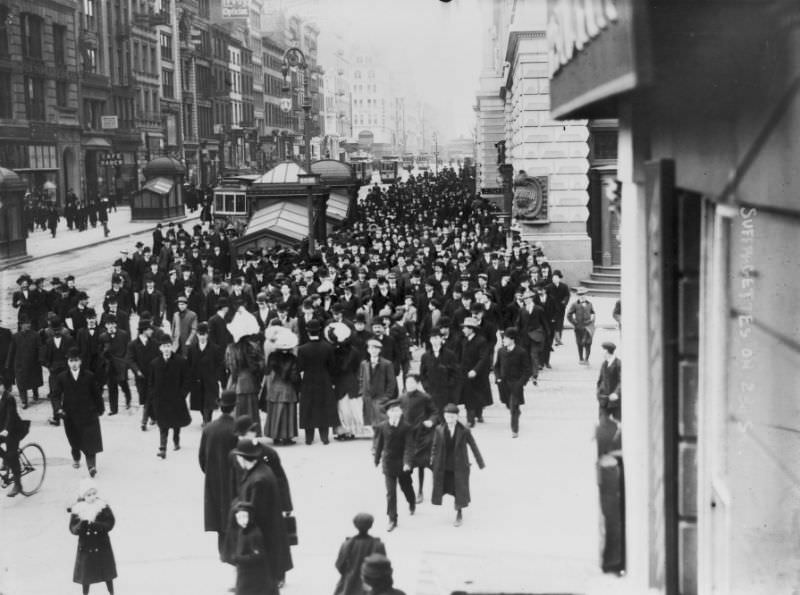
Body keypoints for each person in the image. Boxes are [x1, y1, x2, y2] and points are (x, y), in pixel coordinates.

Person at [225, 437, 292, 595]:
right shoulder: (260, 471)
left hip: (259, 543)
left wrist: (236, 508)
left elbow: (253, 512)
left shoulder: (258, 480)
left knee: (258, 585)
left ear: (243, 458)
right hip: (265, 542)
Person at [430, 403, 486, 527]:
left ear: (457, 417)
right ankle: (456, 506)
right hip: (444, 465)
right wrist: (432, 460)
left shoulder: (464, 430)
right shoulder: (439, 429)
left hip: (459, 465)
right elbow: (434, 446)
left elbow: (473, 445)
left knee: (459, 490)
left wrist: (480, 462)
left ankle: (459, 512)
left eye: (452, 417)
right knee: (446, 486)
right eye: (447, 416)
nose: (449, 419)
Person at [51, 348, 104, 477]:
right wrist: (58, 408)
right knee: (74, 440)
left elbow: (96, 394)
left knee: (90, 440)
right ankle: (76, 456)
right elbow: (56, 395)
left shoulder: (89, 376)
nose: (74, 364)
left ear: (80, 361)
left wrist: (100, 408)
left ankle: (91, 466)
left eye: (76, 361)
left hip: (88, 413)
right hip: (70, 414)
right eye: (71, 361)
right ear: (68, 362)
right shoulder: (62, 377)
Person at [198, 389, 238, 557]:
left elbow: (202, 458)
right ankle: (234, 550)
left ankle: (223, 550)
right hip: (233, 478)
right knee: (234, 513)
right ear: (234, 407)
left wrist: (211, 472)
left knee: (218, 513)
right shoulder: (237, 428)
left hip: (213, 478)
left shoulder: (209, 429)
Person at [373, 399, 415, 532]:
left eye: (397, 410)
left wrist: (407, 462)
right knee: (391, 493)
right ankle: (392, 519)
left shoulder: (407, 427)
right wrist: (377, 459)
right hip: (389, 464)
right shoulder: (382, 426)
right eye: (392, 411)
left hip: (403, 465)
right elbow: (379, 444)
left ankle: (411, 501)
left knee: (406, 486)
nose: (395, 413)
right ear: (387, 413)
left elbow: (409, 447)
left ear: (401, 412)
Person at [68, 478, 117, 594]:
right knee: (86, 574)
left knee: (106, 572)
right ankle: (85, 592)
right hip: (86, 546)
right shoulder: (78, 509)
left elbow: (110, 522)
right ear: (83, 496)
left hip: (102, 544)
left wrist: (97, 525)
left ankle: (111, 591)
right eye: (89, 495)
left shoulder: (102, 506)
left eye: (94, 493)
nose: (92, 497)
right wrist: (82, 524)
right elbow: (73, 528)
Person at [148, 333, 191, 458]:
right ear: (160, 348)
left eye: (168, 346)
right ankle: (163, 448)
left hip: (176, 398)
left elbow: (187, 379)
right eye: (163, 346)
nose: (166, 349)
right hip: (161, 400)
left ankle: (176, 439)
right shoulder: (154, 364)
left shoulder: (180, 362)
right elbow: (150, 382)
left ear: (172, 347)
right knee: (163, 424)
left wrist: (182, 394)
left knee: (176, 423)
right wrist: (153, 396)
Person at [296, 319, 337, 445]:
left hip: (308, 380)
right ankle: (324, 437)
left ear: (308, 333)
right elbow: (332, 367)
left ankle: (309, 438)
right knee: (323, 406)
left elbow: (299, 367)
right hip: (324, 380)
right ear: (320, 332)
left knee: (309, 407)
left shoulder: (302, 349)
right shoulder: (328, 347)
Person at [398, 374, 437, 503]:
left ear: (417, 383)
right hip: (407, 435)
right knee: (407, 465)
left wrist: (431, 421)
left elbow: (434, 412)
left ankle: (420, 491)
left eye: (412, 382)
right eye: (407, 382)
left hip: (422, 434)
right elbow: (397, 412)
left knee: (421, 464)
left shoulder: (425, 397)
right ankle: (410, 491)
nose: (409, 385)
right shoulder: (402, 397)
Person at [326, 322, 364, 441]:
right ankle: (350, 430)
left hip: (340, 381)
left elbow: (334, 368)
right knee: (351, 406)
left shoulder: (334, 351)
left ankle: (343, 431)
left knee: (342, 407)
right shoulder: (355, 351)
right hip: (351, 380)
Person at [263, 327, 300, 444]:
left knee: (275, 410)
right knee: (288, 411)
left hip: (275, 385)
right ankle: (287, 436)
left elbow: (267, 371)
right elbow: (294, 376)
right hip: (288, 386)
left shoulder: (272, 356)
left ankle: (275, 435)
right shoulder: (293, 358)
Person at [334, 513, 387, 595]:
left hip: (349, 587)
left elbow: (339, 565)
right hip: (371, 587)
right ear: (371, 525)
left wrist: (348, 573)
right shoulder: (378, 545)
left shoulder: (347, 544)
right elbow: (384, 567)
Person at [493, 327, 531, 438]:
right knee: (507, 403)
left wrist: (521, 383)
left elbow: (527, 369)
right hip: (503, 384)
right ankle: (516, 411)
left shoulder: (521, 352)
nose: (503, 340)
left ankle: (515, 429)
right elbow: (496, 367)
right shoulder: (501, 351)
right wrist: (498, 378)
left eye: (505, 338)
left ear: (512, 339)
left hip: (516, 384)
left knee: (513, 406)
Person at [228, 500, 270, 595]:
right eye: (238, 517)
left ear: (250, 516)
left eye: (244, 516)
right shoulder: (242, 531)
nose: (241, 520)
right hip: (244, 574)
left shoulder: (254, 534)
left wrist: (239, 559)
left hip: (253, 576)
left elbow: (258, 555)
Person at [125, 319, 160, 431]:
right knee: (144, 398)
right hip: (140, 377)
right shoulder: (133, 344)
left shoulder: (154, 343)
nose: (152, 331)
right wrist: (137, 371)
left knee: (148, 398)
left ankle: (144, 422)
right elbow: (130, 360)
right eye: (150, 329)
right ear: (144, 330)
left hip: (152, 376)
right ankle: (153, 417)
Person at [188, 322, 225, 425]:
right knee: (199, 402)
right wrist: (191, 378)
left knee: (210, 401)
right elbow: (189, 365)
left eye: (204, 334)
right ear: (197, 335)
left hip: (210, 380)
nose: (202, 337)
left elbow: (220, 365)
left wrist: (216, 377)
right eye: (200, 334)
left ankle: (207, 420)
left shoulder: (215, 348)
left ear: (207, 335)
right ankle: (204, 418)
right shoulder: (192, 349)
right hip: (197, 380)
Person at [457, 317, 492, 427]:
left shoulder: (481, 341)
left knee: (478, 396)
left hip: (478, 374)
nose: (463, 330)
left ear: (471, 329)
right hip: (465, 373)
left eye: (465, 328)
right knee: (468, 397)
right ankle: (470, 420)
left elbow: (483, 358)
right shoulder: (463, 340)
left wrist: (475, 370)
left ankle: (479, 414)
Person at [41, 316, 75, 425]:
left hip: (66, 371)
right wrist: (49, 366)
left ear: (62, 329)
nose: (56, 332)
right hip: (54, 372)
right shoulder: (48, 342)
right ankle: (57, 416)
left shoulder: (69, 340)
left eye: (58, 330)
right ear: (51, 330)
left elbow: (74, 354)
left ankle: (69, 417)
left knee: (68, 394)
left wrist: (70, 366)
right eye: (54, 330)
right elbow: (44, 358)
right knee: (54, 394)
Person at [0, 375, 30, 497]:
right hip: (2, 430)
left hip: (14, 429)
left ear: (3, 386)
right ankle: (7, 460)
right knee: (8, 456)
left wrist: (6, 429)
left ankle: (18, 484)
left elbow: (10, 416)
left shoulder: (9, 398)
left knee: (12, 455)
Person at [419, 327, 459, 416]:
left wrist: (450, 384)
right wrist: (426, 386)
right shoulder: (425, 356)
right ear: (430, 340)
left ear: (441, 339)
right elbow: (422, 374)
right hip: (432, 389)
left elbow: (455, 372)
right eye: (432, 338)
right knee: (433, 412)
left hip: (446, 390)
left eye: (437, 338)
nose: (435, 341)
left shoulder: (450, 354)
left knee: (445, 412)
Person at [5, 314, 43, 408]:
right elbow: (11, 351)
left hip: (33, 363)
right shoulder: (15, 336)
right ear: (21, 325)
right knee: (21, 383)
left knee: (34, 380)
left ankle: (35, 393)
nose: (28, 325)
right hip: (20, 364)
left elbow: (40, 348)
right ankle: (24, 401)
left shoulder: (35, 335)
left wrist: (41, 359)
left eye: (29, 323)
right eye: (26, 323)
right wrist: (8, 364)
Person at [359, 338, 397, 430]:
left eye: (375, 348)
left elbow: (391, 381)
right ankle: (376, 437)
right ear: (368, 350)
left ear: (379, 350)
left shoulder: (387, 364)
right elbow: (361, 378)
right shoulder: (364, 364)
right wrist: (361, 391)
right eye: (371, 348)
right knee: (371, 419)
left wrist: (387, 396)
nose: (373, 350)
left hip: (381, 396)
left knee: (382, 418)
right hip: (368, 396)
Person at [99, 316, 131, 414]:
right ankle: (114, 409)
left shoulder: (123, 334)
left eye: (112, 324)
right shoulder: (103, 337)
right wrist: (105, 354)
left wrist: (126, 363)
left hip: (121, 365)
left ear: (115, 324)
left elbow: (128, 349)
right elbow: (100, 351)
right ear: (105, 325)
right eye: (108, 324)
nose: (110, 326)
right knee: (111, 387)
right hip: (110, 365)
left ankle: (128, 397)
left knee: (123, 384)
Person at [566, 287, 596, 364]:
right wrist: (574, 323)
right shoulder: (575, 304)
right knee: (579, 343)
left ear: (586, 295)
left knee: (588, 343)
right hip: (578, 327)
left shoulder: (590, 304)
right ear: (577, 296)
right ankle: (581, 358)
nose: (582, 296)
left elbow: (593, 313)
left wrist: (592, 320)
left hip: (588, 327)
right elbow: (569, 315)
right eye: (580, 295)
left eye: (583, 294)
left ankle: (586, 359)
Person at [597, 342, 621, 420]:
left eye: (602, 350)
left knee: (617, 423)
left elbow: (622, 381)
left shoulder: (618, 364)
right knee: (603, 423)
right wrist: (599, 392)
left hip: (615, 401)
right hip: (603, 400)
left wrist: (616, 393)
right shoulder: (604, 363)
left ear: (606, 351)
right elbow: (600, 380)